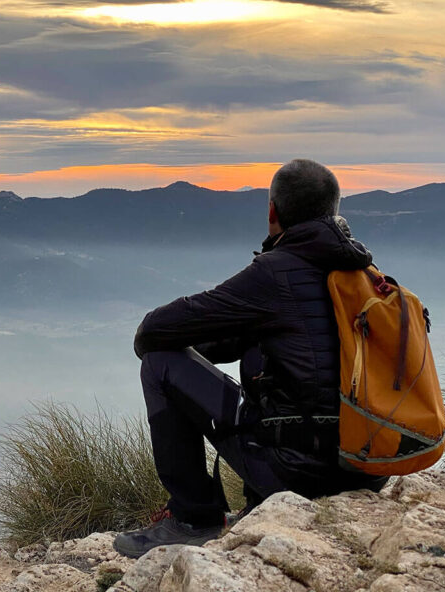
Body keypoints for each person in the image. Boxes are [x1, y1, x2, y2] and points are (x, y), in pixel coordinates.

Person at [113, 159, 388, 559]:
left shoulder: (275, 273)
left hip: (298, 473)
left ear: (273, 211)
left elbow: (155, 330)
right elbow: (280, 341)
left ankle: (193, 518)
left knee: (159, 363)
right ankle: (252, 502)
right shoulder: (361, 273)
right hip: (367, 466)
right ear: (334, 211)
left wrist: (182, 362)